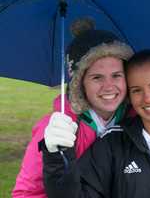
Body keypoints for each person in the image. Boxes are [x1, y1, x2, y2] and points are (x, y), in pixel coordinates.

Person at [42, 49, 150, 198]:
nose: (147, 98)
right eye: (136, 90)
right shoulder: (112, 144)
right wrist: (56, 158)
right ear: (129, 96)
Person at [12, 18, 134, 197]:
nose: (109, 86)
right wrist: (50, 151)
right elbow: (26, 193)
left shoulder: (138, 118)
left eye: (116, 75)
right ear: (80, 83)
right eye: (97, 77)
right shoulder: (53, 130)